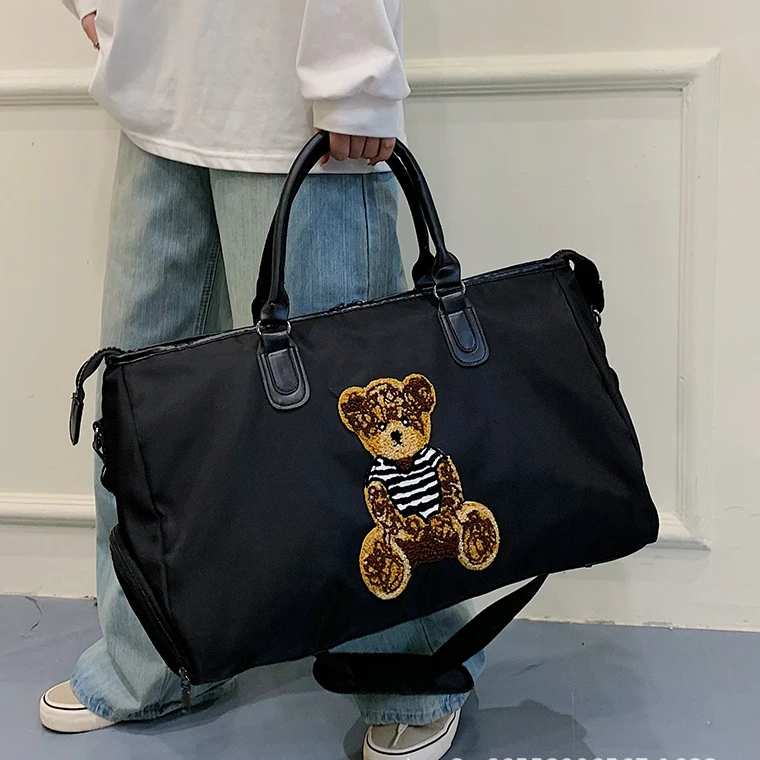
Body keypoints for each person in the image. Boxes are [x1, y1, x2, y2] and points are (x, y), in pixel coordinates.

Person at [42, 2, 485, 758]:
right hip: (155, 76)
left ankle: (410, 675)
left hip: (296, 100)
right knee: (144, 412)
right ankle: (161, 660)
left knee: (356, 425)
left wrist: (355, 78)